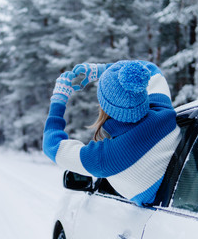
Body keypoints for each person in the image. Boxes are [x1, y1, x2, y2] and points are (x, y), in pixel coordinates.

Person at [42, 60, 181, 206]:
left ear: (104, 107)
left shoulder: (105, 159)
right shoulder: (163, 111)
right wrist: (103, 70)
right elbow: (150, 69)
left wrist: (59, 99)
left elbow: (51, 146)